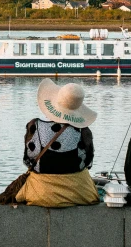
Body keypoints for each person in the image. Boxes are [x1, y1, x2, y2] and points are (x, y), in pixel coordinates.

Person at [15, 79, 99, 207]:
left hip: (41, 192)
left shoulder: (35, 127)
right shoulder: (83, 131)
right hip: (78, 192)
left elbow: (29, 159)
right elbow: (87, 161)